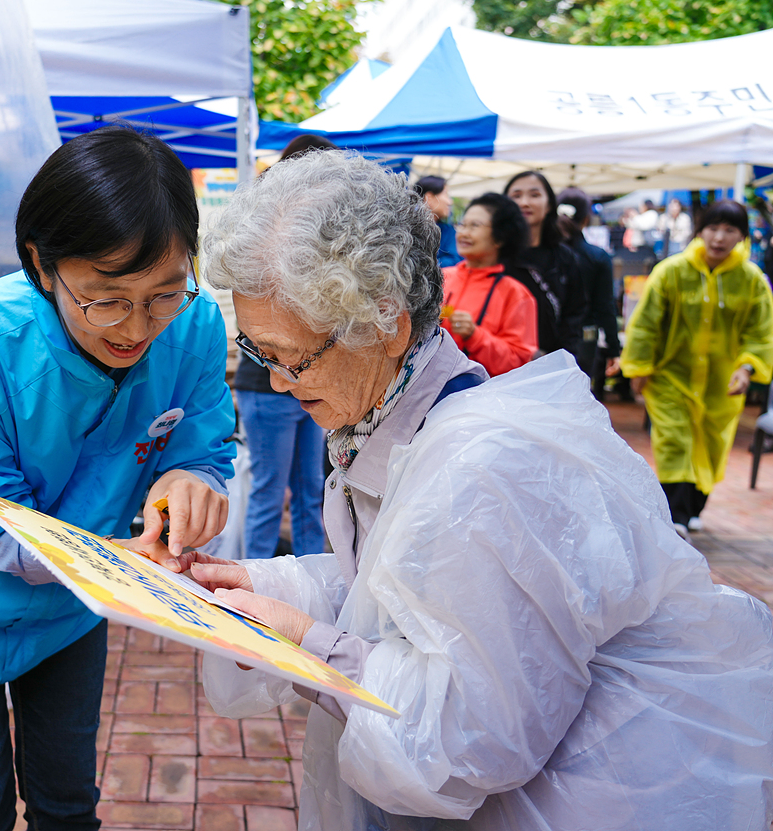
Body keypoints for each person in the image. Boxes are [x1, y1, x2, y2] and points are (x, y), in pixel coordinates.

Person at [185, 150, 773, 830]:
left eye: (291, 357)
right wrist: (266, 587)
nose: (280, 382)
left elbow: (472, 738)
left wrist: (303, 636)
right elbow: (405, 591)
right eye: (260, 355)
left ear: (385, 324)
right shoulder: (384, 415)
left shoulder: (481, 469)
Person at [0, 126, 235, 831]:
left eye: (163, 293)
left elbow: (201, 440)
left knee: (68, 800)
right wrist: (111, 561)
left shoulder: (192, 327)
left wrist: (190, 478)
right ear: (42, 263)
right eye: (105, 298)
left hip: (72, 602)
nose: (136, 329)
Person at [621, 198, 773, 536]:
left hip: (722, 383)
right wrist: (640, 367)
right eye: (712, 228)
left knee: (711, 443)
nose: (719, 237)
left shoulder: (751, 281)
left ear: (742, 236)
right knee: (675, 439)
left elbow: (761, 332)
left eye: (729, 230)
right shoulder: (672, 271)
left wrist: (747, 367)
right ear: (700, 231)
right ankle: (675, 512)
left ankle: (693, 508)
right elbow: (645, 324)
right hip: (670, 376)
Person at [231, 133, 336, 559]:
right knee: (270, 491)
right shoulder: (263, 224)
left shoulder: (322, 227)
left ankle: (313, 578)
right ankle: (254, 585)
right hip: (265, 383)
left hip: (310, 379)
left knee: (313, 488)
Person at [441, 192, 537, 375]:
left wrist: (475, 336)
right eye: (462, 224)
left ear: (500, 237)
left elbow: (518, 362)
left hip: (481, 397)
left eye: (475, 225)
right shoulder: (440, 277)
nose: (463, 232)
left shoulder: (516, 294)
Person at [504, 170, 587, 361]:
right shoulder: (495, 256)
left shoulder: (565, 258)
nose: (525, 202)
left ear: (549, 204)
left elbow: (574, 314)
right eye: (516, 195)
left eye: (534, 195)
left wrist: (564, 359)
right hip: (502, 365)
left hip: (551, 362)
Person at [557, 186, 622, 386]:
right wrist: (613, 348)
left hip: (545, 342)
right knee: (577, 397)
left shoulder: (542, 253)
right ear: (586, 219)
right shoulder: (597, 256)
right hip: (584, 339)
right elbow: (605, 306)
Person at [413, 175, 458, 267]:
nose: (450, 202)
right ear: (429, 198)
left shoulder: (448, 231)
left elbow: (455, 261)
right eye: (446, 194)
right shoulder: (405, 227)